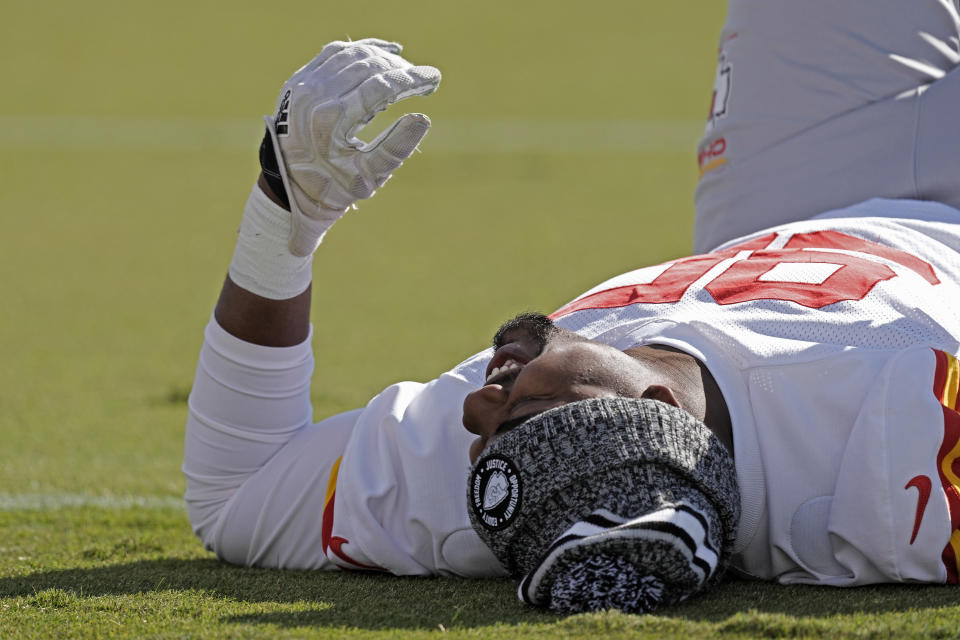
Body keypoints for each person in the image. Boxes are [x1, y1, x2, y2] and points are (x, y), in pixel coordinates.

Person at [183, 0, 960, 614]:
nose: (478, 408)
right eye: (523, 413)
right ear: (657, 404)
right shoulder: (893, 449)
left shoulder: (504, 482)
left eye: (490, 439)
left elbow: (236, 494)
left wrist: (285, 215)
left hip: (789, 196)